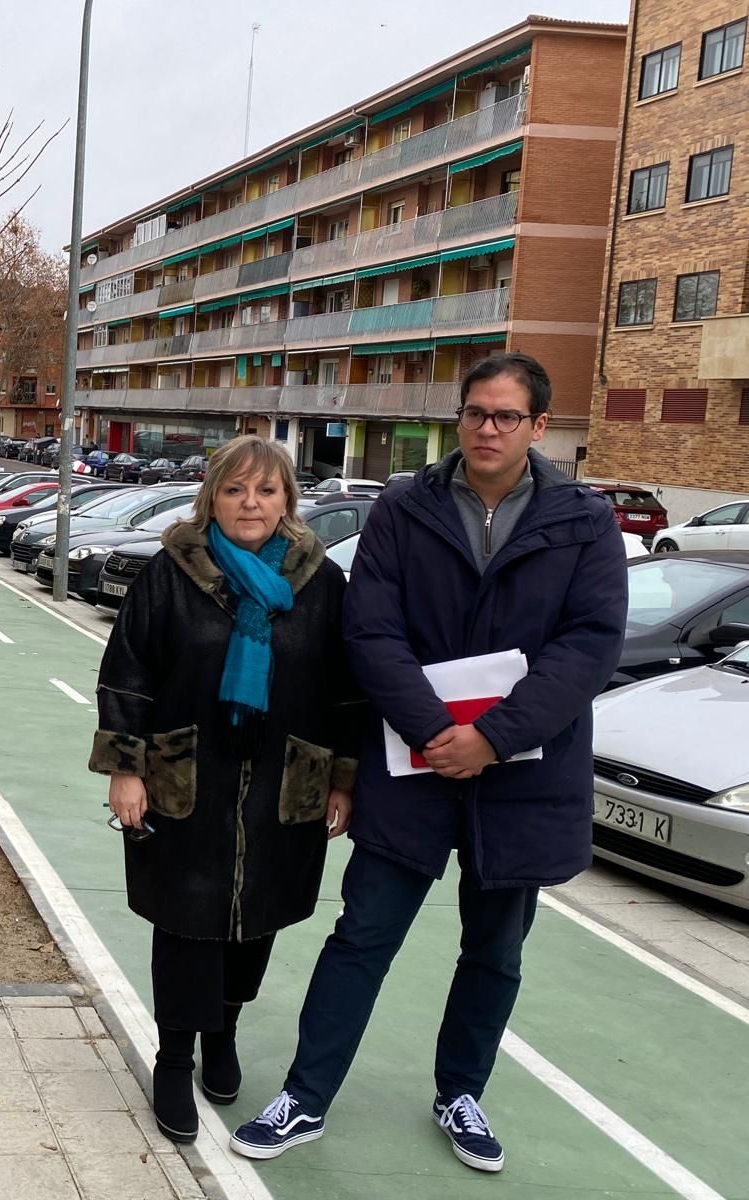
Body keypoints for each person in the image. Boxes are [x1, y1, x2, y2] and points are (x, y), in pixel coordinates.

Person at [231, 353, 627, 1173]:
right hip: (411, 767)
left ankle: (461, 1092)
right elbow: (372, 632)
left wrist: (494, 737)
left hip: (524, 776)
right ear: (460, 418)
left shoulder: (584, 521)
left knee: (495, 951)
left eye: (506, 416)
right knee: (363, 934)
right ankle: (304, 1096)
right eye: (476, 412)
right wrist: (434, 731)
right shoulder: (404, 509)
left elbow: (589, 646)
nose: (488, 428)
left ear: (539, 427)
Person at [89, 435, 361, 1144]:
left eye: (266, 491)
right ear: (211, 497)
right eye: (236, 489)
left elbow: (347, 691)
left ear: (288, 503)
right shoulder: (172, 574)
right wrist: (126, 767)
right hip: (185, 776)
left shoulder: (321, 583)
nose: (251, 504)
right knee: (185, 921)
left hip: (283, 782)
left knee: (257, 916)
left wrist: (342, 778)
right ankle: (174, 1057)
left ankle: (225, 1030)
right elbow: (128, 673)